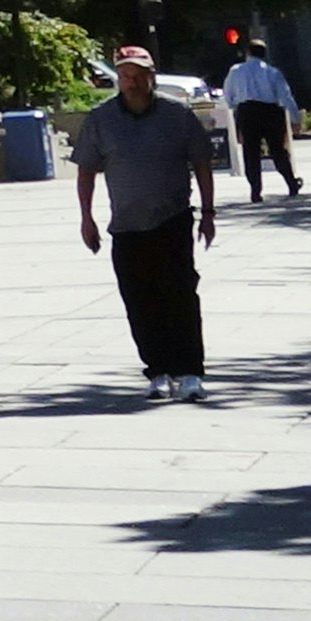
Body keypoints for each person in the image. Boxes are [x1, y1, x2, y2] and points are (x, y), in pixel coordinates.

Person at [70, 39, 229, 399]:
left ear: (151, 77)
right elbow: (86, 172)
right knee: (140, 301)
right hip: (126, 226)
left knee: (180, 296)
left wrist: (208, 213)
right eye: (125, 75)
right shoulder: (101, 120)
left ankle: (189, 371)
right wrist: (86, 218)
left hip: (172, 220)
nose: (132, 82)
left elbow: (201, 163)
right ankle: (157, 370)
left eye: (139, 75)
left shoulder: (177, 115)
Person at [219, 38, 305, 200]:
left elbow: (228, 95)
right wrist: (295, 118)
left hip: (247, 111)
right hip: (270, 111)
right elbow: (286, 96)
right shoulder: (272, 72)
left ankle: (255, 190)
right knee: (278, 149)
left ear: (247, 53)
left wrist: (234, 109)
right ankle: (291, 182)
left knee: (250, 152)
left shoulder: (236, 70)